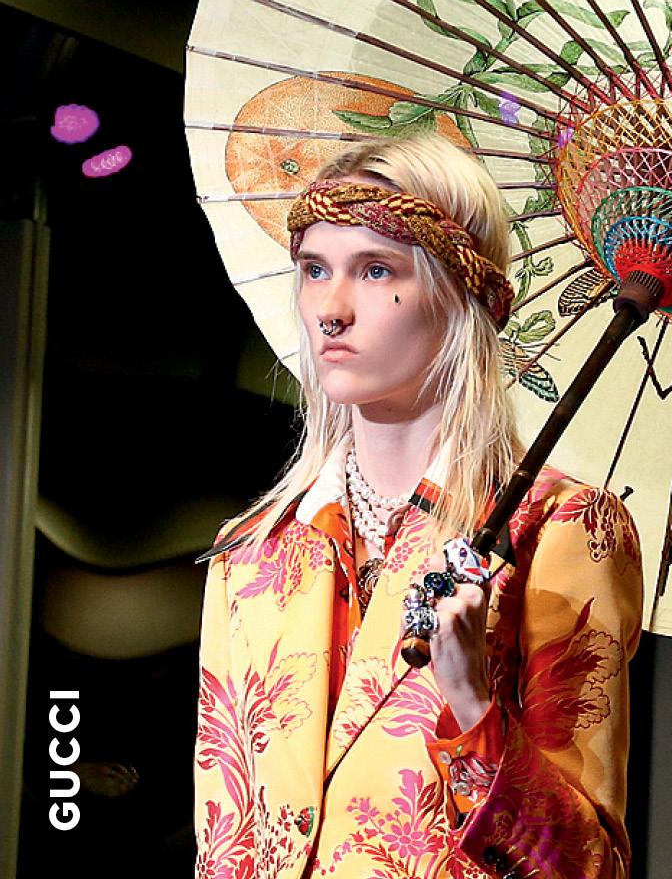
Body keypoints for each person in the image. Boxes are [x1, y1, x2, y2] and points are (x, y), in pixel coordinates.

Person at [193, 134, 644, 879]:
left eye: (376, 270)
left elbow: (587, 867)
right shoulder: (251, 555)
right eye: (314, 269)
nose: (331, 309)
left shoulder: (558, 531)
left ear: (462, 296)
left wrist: (473, 705)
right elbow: (226, 841)